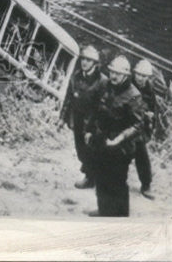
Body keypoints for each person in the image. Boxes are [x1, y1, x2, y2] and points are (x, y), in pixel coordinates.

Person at [86, 54, 146, 217]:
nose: (113, 75)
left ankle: (120, 216)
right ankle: (104, 209)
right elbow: (96, 109)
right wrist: (89, 130)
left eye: (117, 74)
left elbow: (138, 125)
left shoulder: (134, 95)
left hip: (121, 147)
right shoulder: (106, 86)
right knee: (100, 176)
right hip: (102, 140)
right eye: (111, 72)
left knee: (117, 182)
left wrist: (119, 139)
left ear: (126, 75)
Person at [60, 45, 106, 189]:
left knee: (91, 149)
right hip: (77, 119)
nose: (84, 62)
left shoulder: (102, 81)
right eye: (83, 59)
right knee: (80, 149)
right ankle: (94, 175)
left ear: (95, 63)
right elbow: (68, 98)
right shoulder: (76, 76)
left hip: (93, 121)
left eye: (88, 60)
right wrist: (62, 118)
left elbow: (103, 107)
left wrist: (94, 128)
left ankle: (90, 178)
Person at [132, 59, 165, 199]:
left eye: (144, 76)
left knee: (142, 155)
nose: (141, 78)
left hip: (138, 127)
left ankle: (146, 185)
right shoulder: (127, 82)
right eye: (139, 75)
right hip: (122, 123)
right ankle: (92, 176)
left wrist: (148, 116)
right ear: (134, 73)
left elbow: (152, 111)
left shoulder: (149, 90)